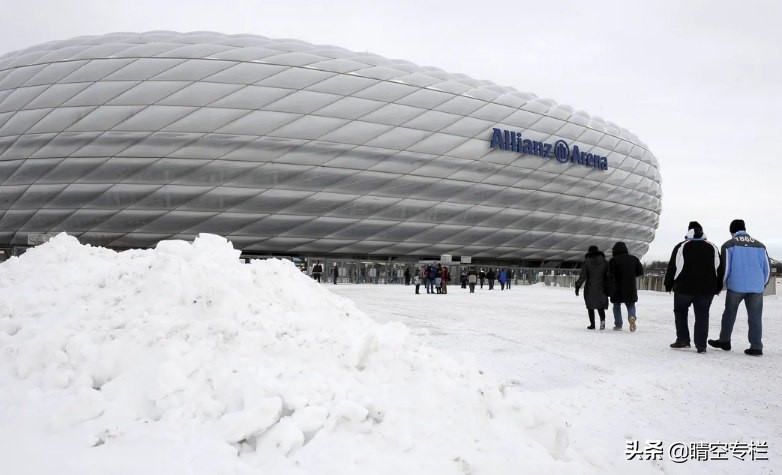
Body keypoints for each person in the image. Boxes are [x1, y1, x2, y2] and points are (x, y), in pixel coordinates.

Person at [708, 219, 770, 356]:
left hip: (736, 286)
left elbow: (726, 269)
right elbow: (767, 269)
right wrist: (762, 284)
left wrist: (720, 286)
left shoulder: (729, 245)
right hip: (756, 287)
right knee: (755, 317)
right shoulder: (760, 245)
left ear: (731, 231)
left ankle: (725, 341)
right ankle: (756, 346)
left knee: (729, 314)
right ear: (745, 228)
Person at [664, 221, 723, 353]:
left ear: (688, 231)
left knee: (680, 312)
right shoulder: (712, 247)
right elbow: (719, 269)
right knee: (702, 314)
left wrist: (668, 284)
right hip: (707, 289)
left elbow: (673, 267)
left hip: (684, 288)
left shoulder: (681, 246)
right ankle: (701, 345)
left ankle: (683, 340)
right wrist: (718, 286)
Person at [608, 242, 644, 331]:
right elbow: (640, 272)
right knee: (631, 304)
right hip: (630, 286)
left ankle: (618, 325)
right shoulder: (634, 259)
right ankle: (631, 317)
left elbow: (609, 274)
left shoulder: (613, 260)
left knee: (616, 306)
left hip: (616, 287)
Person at [575, 245, 610, 330]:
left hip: (590, 287)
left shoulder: (586, 262)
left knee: (590, 306)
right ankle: (602, 323)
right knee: (600, 306)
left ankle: (592, 324)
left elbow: (583, 276)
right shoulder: (605, 262)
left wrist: (577, 286)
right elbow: (609, 275)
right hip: (602, 287)